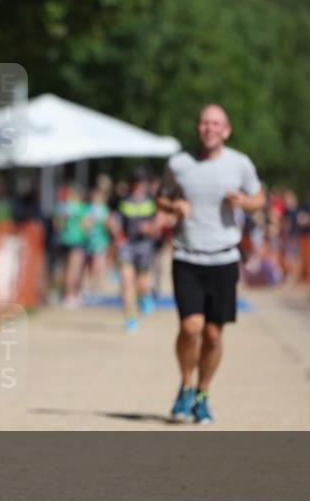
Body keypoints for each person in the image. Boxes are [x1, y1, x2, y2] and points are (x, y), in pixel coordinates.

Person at [157, 104, 264, 424]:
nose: (210, 128)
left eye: (216, 123)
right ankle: (185, 386)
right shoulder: (179, 163)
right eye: (205, 123)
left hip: (224, 257)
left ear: (226, 130)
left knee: (214, 335)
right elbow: (160, 196)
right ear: (198, 128)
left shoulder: (240, 163)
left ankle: (203, 394)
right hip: (187, 256)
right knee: (191, 327)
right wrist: (173, 206)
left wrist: (245, 202)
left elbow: (259, 199)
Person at [110, 168, 159, 334]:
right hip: (127, 245)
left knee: (143, 284)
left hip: (145, 246)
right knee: (126, 281)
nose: (137, 186)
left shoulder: (151, 201)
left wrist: (151, 228)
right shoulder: (122, 201)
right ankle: (130, 318)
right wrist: (115, 231)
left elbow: (160, 222)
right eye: (135, 182)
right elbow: (113, 219)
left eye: (140, 183)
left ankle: (145, 296)